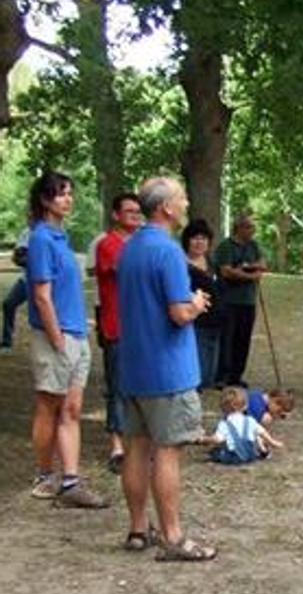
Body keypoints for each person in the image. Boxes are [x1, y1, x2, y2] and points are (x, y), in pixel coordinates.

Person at [118, 177, 215, 560]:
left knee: (137, 448)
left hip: (135, 367)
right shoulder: (169, 253)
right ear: (166, 209)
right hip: (167, 370)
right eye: (181, 196)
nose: (187, 200)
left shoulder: (131, 248)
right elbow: (178, 314)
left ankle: (138, 529)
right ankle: (173, 538)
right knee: (169, 451)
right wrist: (196, 302)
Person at [26, 171, 108, 507]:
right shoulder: (42, 239)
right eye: (61, 194)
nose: (68, 199)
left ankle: (71, 481)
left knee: (72, 409)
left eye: (70, 193)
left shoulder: (61, 237)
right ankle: (46, 475)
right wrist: (57, 337)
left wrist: (78, 329)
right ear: (45, 200)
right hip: (55, 337)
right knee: (50, 405)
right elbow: (42, 295)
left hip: (76, 334)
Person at [94, 192, 144, 473]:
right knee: (117, 387)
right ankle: (117, 445)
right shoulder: (108, 244)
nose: (135, 215)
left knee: (139, 386)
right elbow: (124, 270)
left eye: (138, 211)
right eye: (129, 211)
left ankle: (136, 442)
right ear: (116, 215)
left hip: (142, 328)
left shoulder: (140, 243)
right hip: (116, 326)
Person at [215, 213, 267, 387]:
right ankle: (223, 376)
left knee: (243, 339)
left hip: (248, 301)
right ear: (240, 228)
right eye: (250, 227)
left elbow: (262, 264)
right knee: (227, 338)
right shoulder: (226, 247)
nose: (253, 231)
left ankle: (237, 375)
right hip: (229, 300)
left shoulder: (254, 246)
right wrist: (250, 275)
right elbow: (226, 271)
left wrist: (245, 267)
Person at [182, 219, 222, 391]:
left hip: (215, 320)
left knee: (209, 371)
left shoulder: (212, 263)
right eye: (195, 238)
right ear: (187, 241)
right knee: (197, 366)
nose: (200, 242)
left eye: (204, 238)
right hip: (195, 321)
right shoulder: (181, 264)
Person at [199, 386, 284, 465]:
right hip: (251, 456)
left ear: (223, 408)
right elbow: (262, 432)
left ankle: (213, 457)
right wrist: (273, 442)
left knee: (216, 452)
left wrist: (204, 439)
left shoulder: (224, 424)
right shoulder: (250, 420)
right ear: (245, 406)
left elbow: (217, 439)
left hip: (234, 457)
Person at [2, 227, 30, 351]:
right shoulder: (26, 231)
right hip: (27, 279)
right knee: (8, 303)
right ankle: (7, 342)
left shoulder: (52, 231)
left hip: (46, 281)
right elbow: (17, 257)